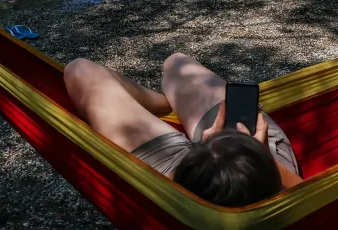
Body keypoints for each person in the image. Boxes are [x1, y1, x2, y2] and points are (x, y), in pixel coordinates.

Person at [64, 53, 303, 206]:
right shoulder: (302, 212)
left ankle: (166, 102)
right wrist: (257, 156)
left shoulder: (174, 209)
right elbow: (306, 196)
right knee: (176, 63)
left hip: (177, 180)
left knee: (80, 69)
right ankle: (172, 103)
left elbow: (175, 187)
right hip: (265, 174)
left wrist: (204, 153)